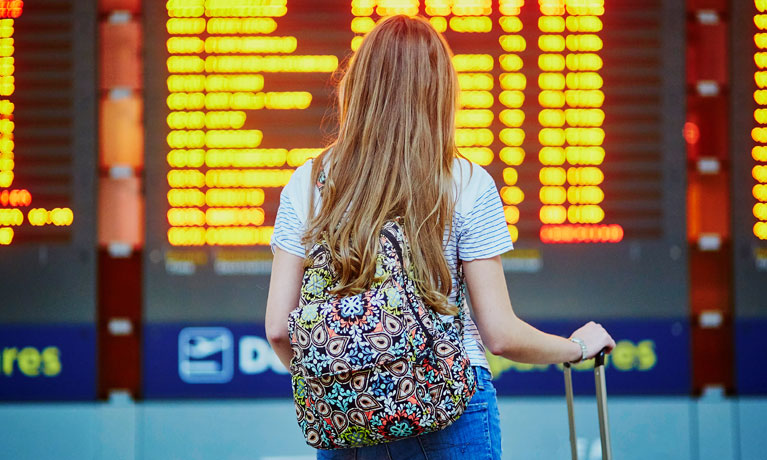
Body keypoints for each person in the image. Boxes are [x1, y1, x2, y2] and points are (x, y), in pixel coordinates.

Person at [265, 14, 616, 460]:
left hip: (349, 423)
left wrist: (350, 381)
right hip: (451, 411)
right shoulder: (466, 182)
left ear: (358, 86)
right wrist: (578, 346)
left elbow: (279, 329)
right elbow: (501, 335)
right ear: (440, 91)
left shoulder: (306, 182)